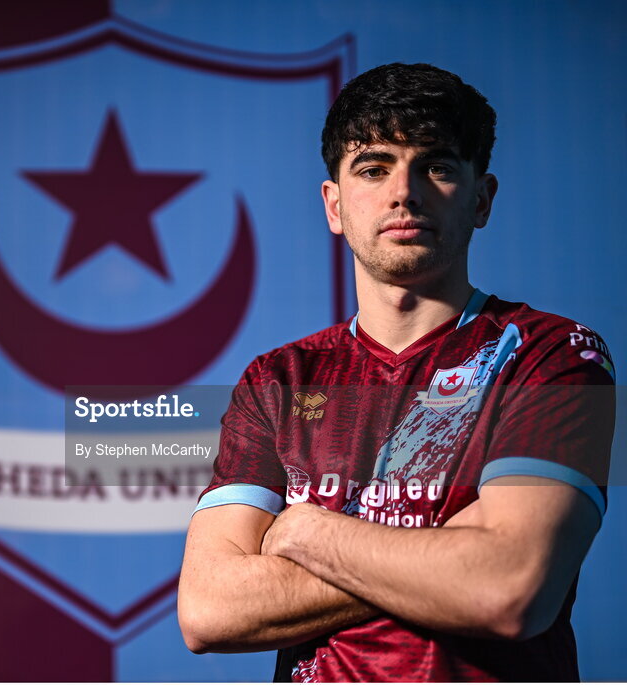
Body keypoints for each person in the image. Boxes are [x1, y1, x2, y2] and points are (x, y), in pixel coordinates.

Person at [177, 63, 615, 682]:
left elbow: (509, 586)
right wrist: (450, 547)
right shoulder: (278, 380)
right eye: (374, 168)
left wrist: (306, 533)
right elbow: (209, 610)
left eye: (436, 165)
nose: (403, 192)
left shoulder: (552, 353)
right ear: (334, 205)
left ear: (482, 198)